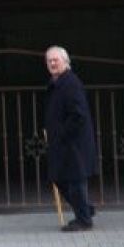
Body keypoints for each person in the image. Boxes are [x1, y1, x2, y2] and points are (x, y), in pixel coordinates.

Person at [44, 46, 99, 232]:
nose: (52, 63)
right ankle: (85, 209)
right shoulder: (57, 83)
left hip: (74, 143)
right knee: (59, 178)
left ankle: (84, 220)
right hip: (63, 143)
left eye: (56, 60)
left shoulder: (70, 83)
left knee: (74, 181)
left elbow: (78, 115)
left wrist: (62, 133)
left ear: (65, 62)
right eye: (49, 60)